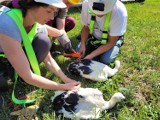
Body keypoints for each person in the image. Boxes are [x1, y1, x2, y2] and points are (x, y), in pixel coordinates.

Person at [0, 0, 81, 107]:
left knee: (44, 41)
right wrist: (63, 87)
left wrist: (65, 79)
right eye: (49, 11)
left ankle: (10, 69)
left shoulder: (37, 24)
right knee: (2, 86)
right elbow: (28, 76)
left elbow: (48, 59)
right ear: (31, 5)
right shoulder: (7, 23)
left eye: (55, 12)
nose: (52, 17)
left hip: (6, 55)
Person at [76, 0, 127, 64]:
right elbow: (86, 28)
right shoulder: (86, 3)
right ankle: (93, 45)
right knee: (78, 50)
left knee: (106, 59)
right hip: (94, 36)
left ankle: (118, 43)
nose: (99, 15)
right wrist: (83, 43)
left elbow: (111, 42)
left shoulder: (120, 13)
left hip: (110, 39)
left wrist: (90, 56)